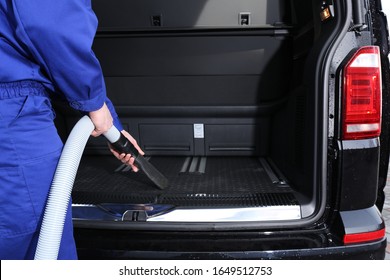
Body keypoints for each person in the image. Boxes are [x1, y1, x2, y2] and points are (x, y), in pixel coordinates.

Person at [0, 0, 143, 259]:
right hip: (11, 120)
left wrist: (107, 117)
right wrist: (95, 102)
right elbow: (49, 24)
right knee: (35, 246)